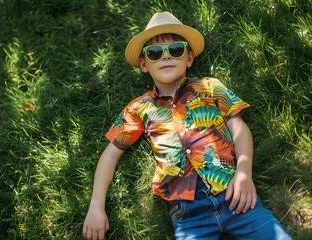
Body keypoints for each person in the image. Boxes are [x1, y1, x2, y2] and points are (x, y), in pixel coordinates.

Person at [82, 11, 291, 240]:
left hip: (235, 195)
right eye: (154, 53)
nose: (165, 57)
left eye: (176, 50)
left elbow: (238, 128)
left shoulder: (210, 87)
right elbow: (111, 155)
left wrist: (244, 172)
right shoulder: (139, 108)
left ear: (189, 58)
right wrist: (96, 205)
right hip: (188, 214)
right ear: (144, 64)